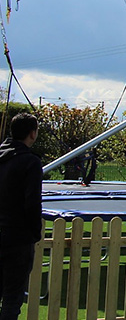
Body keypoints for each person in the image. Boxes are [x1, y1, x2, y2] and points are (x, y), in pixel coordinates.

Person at [0, 113, 42, 320]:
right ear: (32, 134)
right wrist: (34, 233)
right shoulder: (29, 162)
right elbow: (32, 203)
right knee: (12, 297)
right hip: (17, 236)